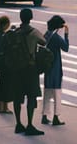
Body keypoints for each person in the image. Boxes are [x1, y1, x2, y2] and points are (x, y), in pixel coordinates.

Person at [12, 7, 46, 136]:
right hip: (30, 68)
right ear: (30, 18)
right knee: (31, 96)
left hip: (17, 69)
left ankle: (18, 123)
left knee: (17, 97)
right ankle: (30, 124)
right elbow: (44, 41)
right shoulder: (34, 32)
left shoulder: (15, 32)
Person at [41, 15, 69, 126]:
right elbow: (66, 48)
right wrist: (66, 34)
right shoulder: (56, 37)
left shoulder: (47, 34)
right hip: (55, 67)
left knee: (47, 92)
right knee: (57, 92)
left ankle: (45, 115)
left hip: (47, 67)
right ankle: (56, 116)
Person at [0, 15, 13, 114]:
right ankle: (5, 106)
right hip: (6, 63)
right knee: (7, 84)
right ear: (5, 24)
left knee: (0, 84)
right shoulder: (4, 36)